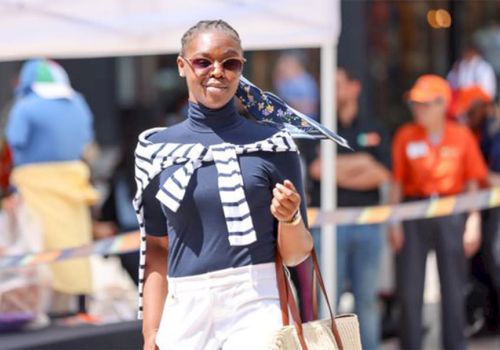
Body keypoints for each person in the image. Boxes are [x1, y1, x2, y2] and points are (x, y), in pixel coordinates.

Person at [135, 20, 313, 350]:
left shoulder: (274, 144)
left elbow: (297, 253)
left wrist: (290, 218)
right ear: (182, 65)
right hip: (184, 305)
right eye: (203, 61)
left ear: (240, 69)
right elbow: (157, 249)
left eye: (229, 62)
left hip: (256, 300)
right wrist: (151, 333)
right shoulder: (155, 150)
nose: (217, 71)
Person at [389, 75, 488, 350]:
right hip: (413, 212)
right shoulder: (405, 136)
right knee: (409, 289)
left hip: (452, 212)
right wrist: (394, 222)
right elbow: (396, 182)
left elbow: (472, 182)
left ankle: (455, 345)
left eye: (424, 104)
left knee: (454, 287)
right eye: (415, 104)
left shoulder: (461, 135)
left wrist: (474, 222)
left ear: (442, 104)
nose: (418, 109)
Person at [5, 59, 98, 317]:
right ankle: (79, 306)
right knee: (77, 244)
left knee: (37, 244)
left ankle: (40, 309)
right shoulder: (78, 103)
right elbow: (86, 141)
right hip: (74, 183)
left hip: (36, 187)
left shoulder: (25, 107)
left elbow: (16, 141)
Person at [309, 66, 391, 350]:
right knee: (327, 302)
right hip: (328, 227)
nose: (333, 91)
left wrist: (337, 168)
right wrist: (363, 163)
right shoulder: (315, 128)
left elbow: (382, 175)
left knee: (366, 301)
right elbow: (317, 170)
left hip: (368, 225)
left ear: (355, 87)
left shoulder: (374, 126)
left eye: (339, 84)